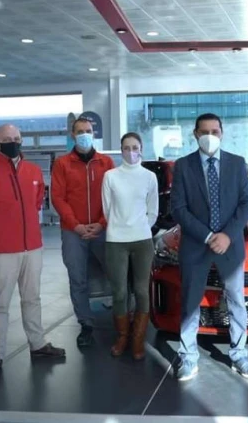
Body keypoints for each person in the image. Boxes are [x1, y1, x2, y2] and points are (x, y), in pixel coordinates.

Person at [0, 124, 65, 379]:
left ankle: (38, 344)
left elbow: (37, 201)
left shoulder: (33, 171)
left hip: (32, 247)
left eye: (17, 138)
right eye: (7, 138)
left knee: (33, 298)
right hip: (1, 250)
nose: (13, 142)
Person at [170, 113, 248, 381]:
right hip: (196, 244)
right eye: (204, 131)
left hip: (230, 244)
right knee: (190, 302)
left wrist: (227, 235)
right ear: (195, 134)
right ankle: (188, 356)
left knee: (236, 300)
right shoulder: (183, 166)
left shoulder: (237, 163)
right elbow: (179, 208)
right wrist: (208, 236)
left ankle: (239, 355)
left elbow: (246, 203)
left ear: (222, 133)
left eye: (214, 131)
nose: (210, 136)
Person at [51, 118, 114, 347]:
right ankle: (86, 324)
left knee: (115, 274)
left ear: (93, 133)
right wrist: (75, 225)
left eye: (88, 131)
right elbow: (58, 197)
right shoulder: (62, 164)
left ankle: (122, 319)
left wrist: (102, 223)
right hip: (72, 232)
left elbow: (113, 197)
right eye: (80, 131)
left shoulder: (106, 162)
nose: (84, 134)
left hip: (103, 230)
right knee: (77, 278)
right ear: (72, 135)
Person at [101, 133, 158, 359]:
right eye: (126, 147)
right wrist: (120, 226)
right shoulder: (110, 176)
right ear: (121, 150)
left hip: (142, 240)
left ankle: (138, 339)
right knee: (119, 292)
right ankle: (123, 336)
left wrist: (140, 227)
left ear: (141, 149)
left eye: (135, 147)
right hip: (116, 240)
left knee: (142, 291)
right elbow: (107, 209)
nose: (131, 152)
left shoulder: (149, 177)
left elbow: (153, 210)